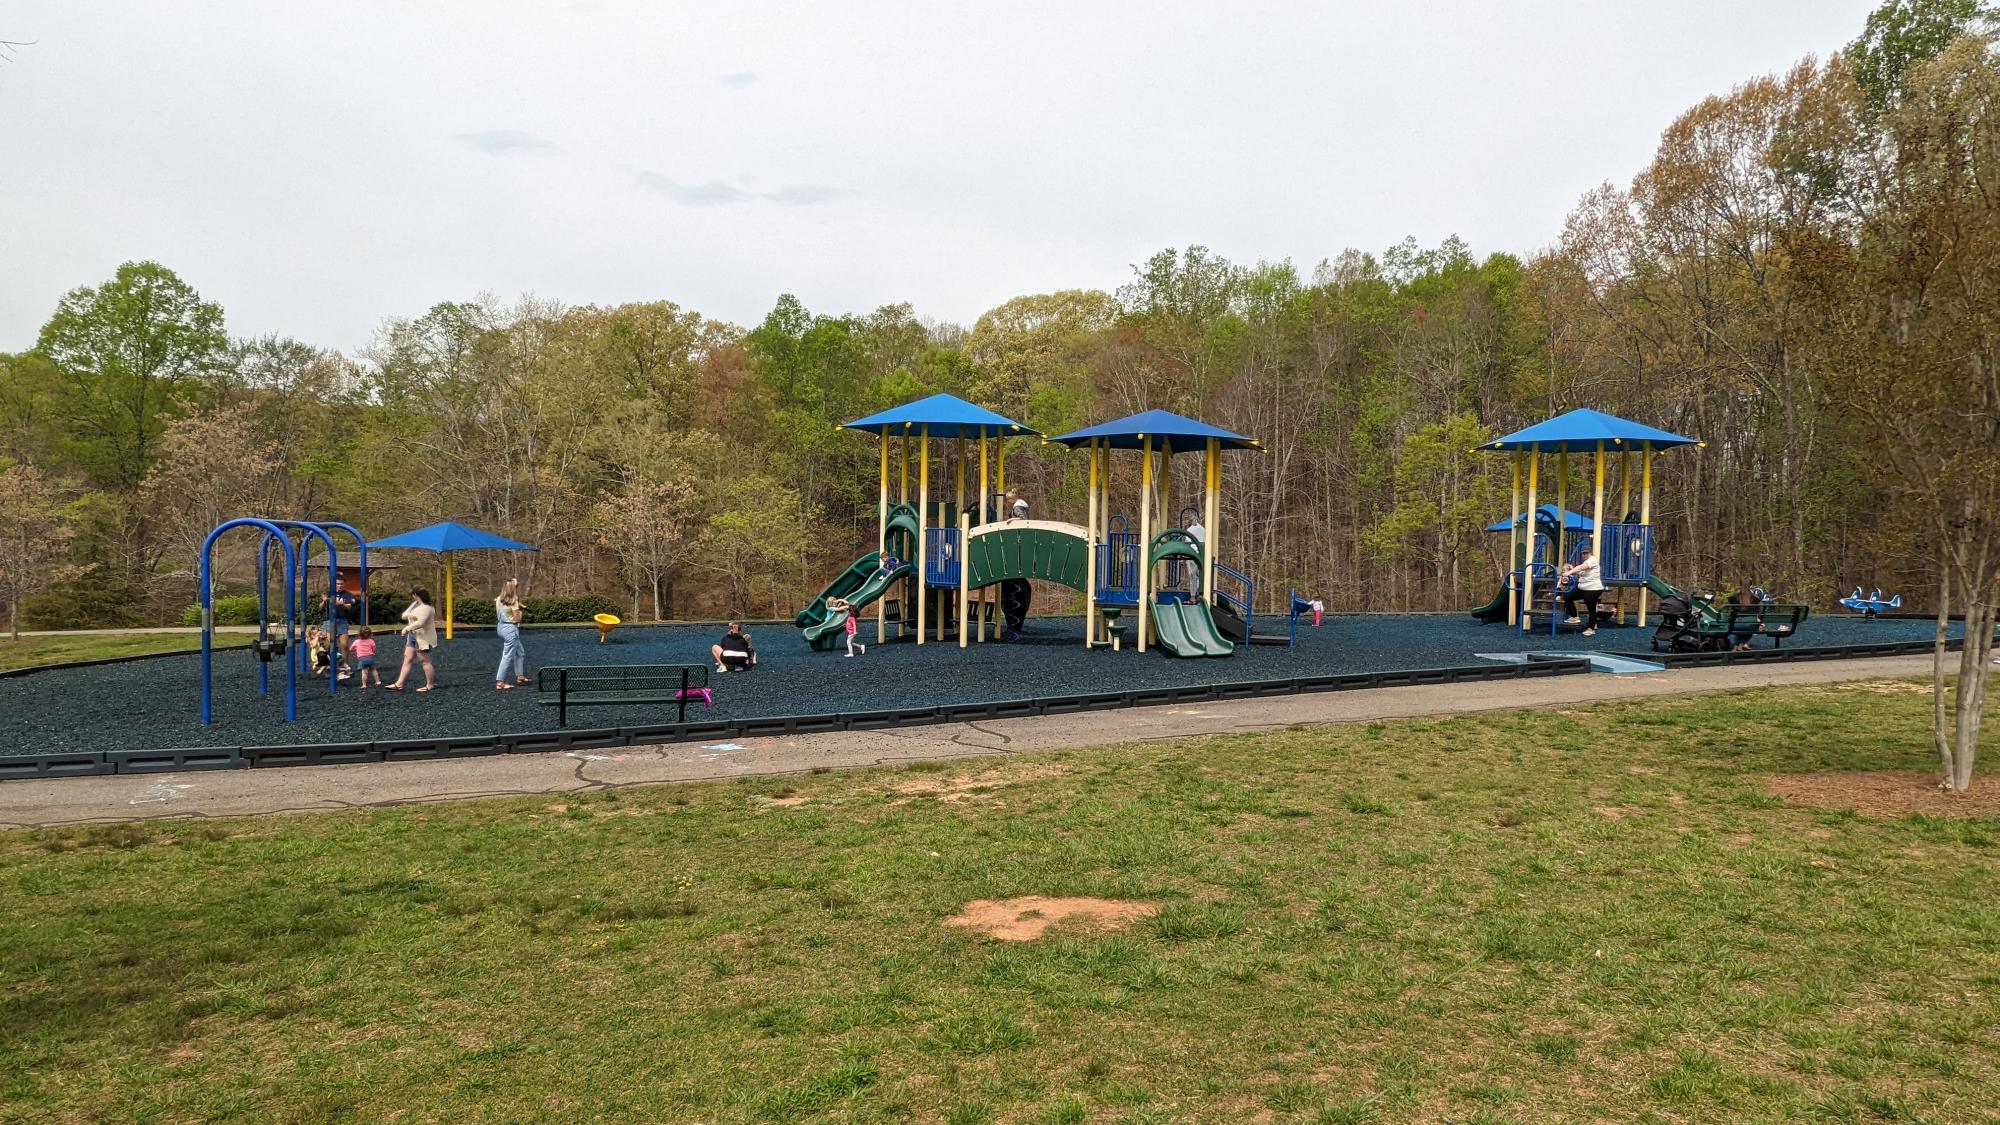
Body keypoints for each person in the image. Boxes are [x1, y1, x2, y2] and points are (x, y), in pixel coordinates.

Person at [386, 588, 438, 692]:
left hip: (423, 637)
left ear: (417, 595)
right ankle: (399, 683)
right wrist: (413, 606)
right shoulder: (416, 605)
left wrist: (407, 628)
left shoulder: (427, 608)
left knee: (424, 660)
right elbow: (404, 616)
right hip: (413, 635)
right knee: (407, 658)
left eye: (413, 595)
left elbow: (421, 622)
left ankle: (430, 684)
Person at [1558, 536, 1604, 637]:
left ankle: (1591, 629)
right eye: (1583, 553)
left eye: (1586, 553)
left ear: (1590, 553)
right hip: (1583, 587)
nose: (1584, 555)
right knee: (1567, 597)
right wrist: (1572, 570)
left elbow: (1582, 567)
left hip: (1593, 589)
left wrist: (1569, 572)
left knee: (1591, 609)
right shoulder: (1586, 562)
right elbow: (1581, 570)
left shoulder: (1593, 560)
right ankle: (1575, 617)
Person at [493, 578, 529, 690]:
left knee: (520, 651)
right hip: (510, 629)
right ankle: (500, 682)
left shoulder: (499, 599)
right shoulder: (513, 601)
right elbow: (517, 619)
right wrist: (520, 613)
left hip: (501, 627)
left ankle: (520, 676)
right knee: (507, 655)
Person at [323, 577, 360, 679]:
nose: (339, 586)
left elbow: (350, 606)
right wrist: (324, 601)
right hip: (329, 620)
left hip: (342, 620)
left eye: (341, 584)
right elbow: (320, 607)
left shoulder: (347, 594)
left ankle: (344, 666)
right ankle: (330, 666)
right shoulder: (328, 593)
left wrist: (342, 604)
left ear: (344, 584)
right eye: (337, 584)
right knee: (329, 645)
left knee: (344, 645)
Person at [1726, 585, 1762, 652]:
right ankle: (1741, 645)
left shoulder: (1734, 597)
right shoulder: (1755, 598)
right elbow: (1760, 610)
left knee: (1739, 628)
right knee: (1751, 626)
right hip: (1750, 625)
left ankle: (1735, 647)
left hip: (1735, 625)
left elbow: (1732, 611)